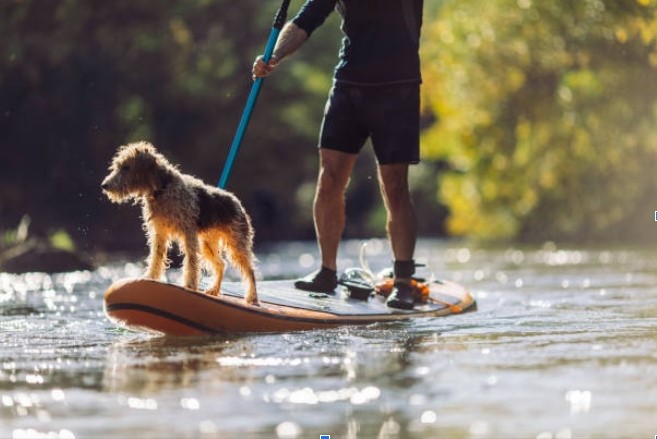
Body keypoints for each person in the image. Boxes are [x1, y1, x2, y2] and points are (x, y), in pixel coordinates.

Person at [252, 0, 424, 309]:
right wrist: (274, 56)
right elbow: (305, 21)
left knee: (395, 186)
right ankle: (327, 271)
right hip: (349, 85)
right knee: (329, 178)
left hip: (398, 88)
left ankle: (403, 282)